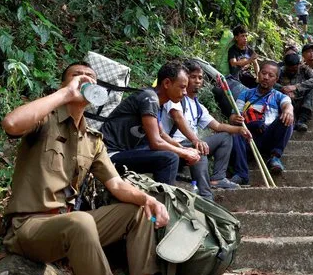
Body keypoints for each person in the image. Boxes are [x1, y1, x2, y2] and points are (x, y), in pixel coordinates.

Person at [1, 62, 194, 275]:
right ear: (64, 84)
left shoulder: (93, 139)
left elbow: (115, 183)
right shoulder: (44, 120)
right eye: (76, 76)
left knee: (137, 211)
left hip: (69, 226)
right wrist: (65, 94)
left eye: (90, 77)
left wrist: (148, 199)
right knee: (80, 222)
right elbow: (11, 124)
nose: (84, 80)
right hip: (30, 227)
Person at [160, 60, 253, 199]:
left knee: (225, 137)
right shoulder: (175, 97)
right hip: (175, 144)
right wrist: (196, 140)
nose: (197, 81)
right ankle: (206, 195)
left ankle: (218, 178)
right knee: (200, 148)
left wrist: (239, 130)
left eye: (200, 77)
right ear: (184, 78)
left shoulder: (198, 106)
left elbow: (217, 126)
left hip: (191, 143)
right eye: (193, 77)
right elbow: (178, 118)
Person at [101, 61, 201, 185]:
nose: (185, 92)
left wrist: (184, 149)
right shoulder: (149, 98)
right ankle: (164, 199)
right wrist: (184, 153)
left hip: (125, 152)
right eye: (182, 87)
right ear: (167, 83)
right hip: (108, 155)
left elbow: (162, 135)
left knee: (179, 155)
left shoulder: (155, 101)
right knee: (170, 158)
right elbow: (156, 142)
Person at [229, 60, 294, 184]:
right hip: (249, 137)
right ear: (258, 74)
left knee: (288, 119)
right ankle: (241, 174)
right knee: (235, 133)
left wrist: (288, 111)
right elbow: (233, 116)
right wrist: (235, 118)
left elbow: (287, 105)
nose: (266, 77)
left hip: (269, 136)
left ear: (276, 79)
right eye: (263, 73)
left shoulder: (279, 96)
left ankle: (275, 157)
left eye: (271, 75)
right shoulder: (245, 94)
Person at [276, 53, 313, 132]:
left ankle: (302, 120)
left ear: (298, 65)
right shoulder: (280, 71)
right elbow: (271, 83)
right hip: (286, 103)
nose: (292, 72)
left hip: (303, 102)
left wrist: (296, 87)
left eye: (294, 69)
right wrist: (283, 89)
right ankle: (291, 121)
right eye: (289, 69)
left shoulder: (305, 69)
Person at [227, 24, 259, 89]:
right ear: (236, 38)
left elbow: (256, 64)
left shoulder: (249, 50)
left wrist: (258, 76)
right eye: (242, 36)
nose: (245, 38)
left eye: (246, 36)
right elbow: (233, 63)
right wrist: (249, 60)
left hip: (248, 77)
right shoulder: (232, 50)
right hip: (236, 79)